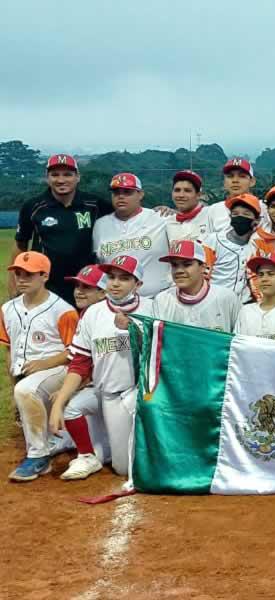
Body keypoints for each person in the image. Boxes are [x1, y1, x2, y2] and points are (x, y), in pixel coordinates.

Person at [49, 255, 153, 479]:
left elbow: (165, 352)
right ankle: (92, 454)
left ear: (138, 284)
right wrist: (58, 403)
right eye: (111, 277)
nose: (115, 283)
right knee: (123, 468)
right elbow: (79, 362)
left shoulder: (153, 308)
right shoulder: (93, 314)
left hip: (145, 393)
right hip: (109, 394)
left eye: (124, 278)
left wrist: (134, 330)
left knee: (141, 465)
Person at [3, 252, 79, 481]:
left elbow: (76, 352)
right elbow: (9, 348)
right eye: (18, 274)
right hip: (28, 374)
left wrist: (44, 363)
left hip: (59, 369)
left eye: (29, 274)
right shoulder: (7, 309)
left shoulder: (62, 310)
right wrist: (13, 379)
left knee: (26, 390)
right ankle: (61, 439)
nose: (22, 279)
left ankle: (38, 457)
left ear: (44, 276)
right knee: (23, 390)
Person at [15, 153, 112, 304]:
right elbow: (20, 245)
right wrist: (15, 286)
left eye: (67, 174)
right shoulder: (33, 207)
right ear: (47, 178)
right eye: (55, 175)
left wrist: (159, 211)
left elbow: (125, 213)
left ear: (77, 177)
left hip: (85, 284)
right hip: (47, 285)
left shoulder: (94, 204)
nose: (61, 180)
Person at [93, 173, 171, 297]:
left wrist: (176, 212)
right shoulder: (100, 225)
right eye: (116, 192)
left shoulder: (161, 218)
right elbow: (98, 262)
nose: (121, 196)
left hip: (157, 299)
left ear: (140, 194)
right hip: (115, 302)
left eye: (127, 192)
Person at [151, 240, 241, 332]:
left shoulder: (227, 298)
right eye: (174, 265)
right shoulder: (162, 300)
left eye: (187, 264)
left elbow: (240, 340)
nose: (179, 271)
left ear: (203, 267)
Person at [209, 193, 262, 302]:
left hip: (244, 304)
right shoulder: (213, 240)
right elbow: (200, 275)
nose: (240, 217)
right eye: (235, 213)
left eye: (246, 214)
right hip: (214, 302)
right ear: (230, 217)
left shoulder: (257, 244)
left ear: (256, 220)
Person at [166, 169, 223, 242]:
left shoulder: (211, 215)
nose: (181, 195)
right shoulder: (167, 221)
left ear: (198, 195)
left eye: (187, 190)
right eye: (177, 190)